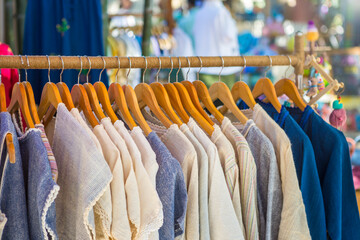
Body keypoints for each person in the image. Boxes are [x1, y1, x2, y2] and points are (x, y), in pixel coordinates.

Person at [192, 0, 240, 87]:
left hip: (202, 67)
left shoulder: (198, 14)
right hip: (223, 69)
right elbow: (228, 37)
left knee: (204, 100)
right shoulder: (221, 12)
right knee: (226, 100)